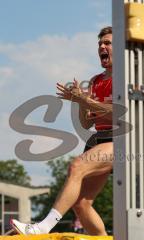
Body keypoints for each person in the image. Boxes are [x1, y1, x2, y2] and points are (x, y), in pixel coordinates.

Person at [11, 26, 113, 236]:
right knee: (82, 204)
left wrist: (85, 99)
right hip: (99, 138)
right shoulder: (95, 81)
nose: (102, 47)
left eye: (108, 43)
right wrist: (80, 102)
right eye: (100, 44)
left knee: (77, 166)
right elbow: (86, 124)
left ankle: (42, 227)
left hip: (123, 139)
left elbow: (118, 114)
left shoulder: (126, 76)